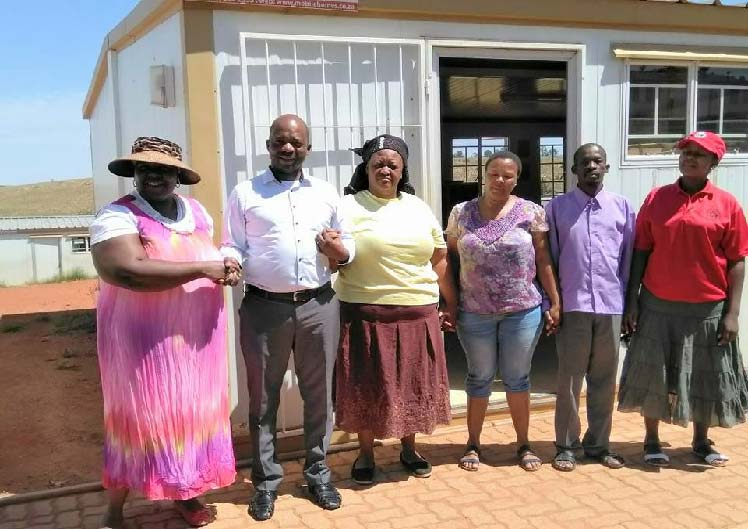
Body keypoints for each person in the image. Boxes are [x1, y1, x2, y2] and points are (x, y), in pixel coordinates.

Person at [90, 137, 238, 529]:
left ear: (178, 175)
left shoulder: (197, 212)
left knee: (190, 416)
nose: (155, 175)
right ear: (134, 173)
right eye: (145, 168)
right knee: (135, 420)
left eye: (164, 169)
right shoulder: (118, 215)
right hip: (144, 343)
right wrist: (202, 269)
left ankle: (186, 492)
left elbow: (210, 253)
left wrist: (226, 263)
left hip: (197, 343)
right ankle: (114, 509)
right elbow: (126, 271)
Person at [222, 114, 354, 521]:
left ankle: (318, 474)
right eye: (280, 141)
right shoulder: (246, 193)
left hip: (319, 306)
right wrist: (230, 261)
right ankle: (265, 483)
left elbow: (349, 245)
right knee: (263, 399)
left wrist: (338, 250)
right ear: (269, 145)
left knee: (319, 394)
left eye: (296, 142)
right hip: (264, 307)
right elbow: (232, 243)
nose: (288, 148)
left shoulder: (326, 193)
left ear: (307, 148)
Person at [334, 134, 458, 485]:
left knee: (412, 384)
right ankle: (366, 454)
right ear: (366, 168)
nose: (385, 170)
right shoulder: (347, 206)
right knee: (366, 383)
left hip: (417, 312)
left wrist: (451, 302)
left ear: (403, 171)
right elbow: (334, 254)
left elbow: (439, 257)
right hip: (364, 313)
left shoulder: (418, 207)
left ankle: (409, 449)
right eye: (378, 164)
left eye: (392, 165)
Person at [618, 131, 748, 467]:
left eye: (699, 154)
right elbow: (641, 251)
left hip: (707, 308)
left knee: (705, 375)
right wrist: (632, 301)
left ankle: (701, 441)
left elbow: (737, 260)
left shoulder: (727, 204)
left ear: (713, 163)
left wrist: (732, 313)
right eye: (686, 152)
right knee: (653, 373)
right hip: (657, 305)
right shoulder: (656, 199)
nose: (690, 158)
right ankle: (651, 440)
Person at [446, 151, 561, 472]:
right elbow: (452, 259)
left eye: (507, 176)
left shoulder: (532, 213)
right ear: (484, 175)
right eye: (494, 174)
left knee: (517, 378)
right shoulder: (460, 213)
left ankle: (523, 443)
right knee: (479, 377)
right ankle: (473, 443)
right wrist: (448, 303)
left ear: (516, 179)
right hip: (474, 312)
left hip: (522, 311)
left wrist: (555, 300)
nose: (500, 180)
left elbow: (543, 258)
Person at [546, 143, 636, 472]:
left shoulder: (622, 207)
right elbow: (549, 260)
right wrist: (553, 303)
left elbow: (628, 259)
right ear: (574, 170)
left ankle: (598, 444)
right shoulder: (557, 208)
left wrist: (629, 305)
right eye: (585, 162)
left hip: (611, 305)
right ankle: (566, 446)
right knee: (570, 381)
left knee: (604, 380)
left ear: (606, 167)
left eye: (598, 161)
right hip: (574, 306)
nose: (592, 166)